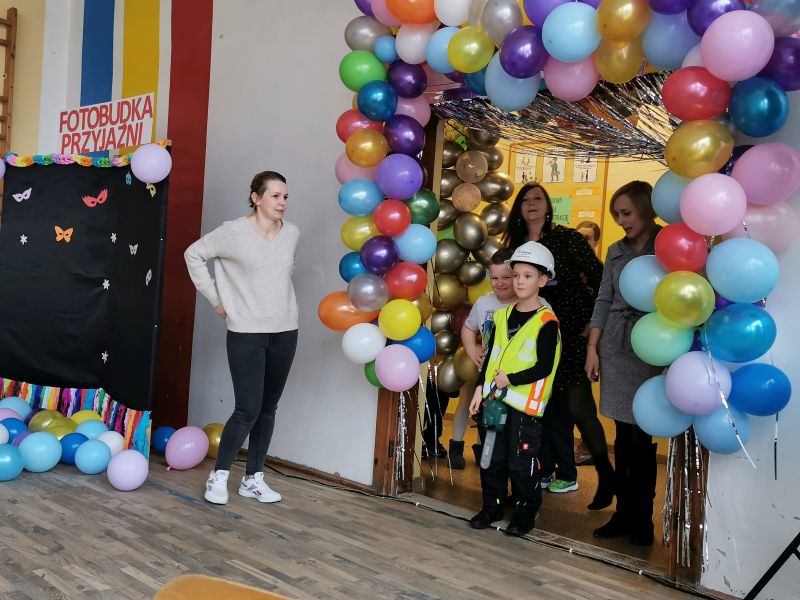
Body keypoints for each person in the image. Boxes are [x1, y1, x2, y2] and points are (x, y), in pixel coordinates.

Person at [184, 170, 299, 506]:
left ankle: (253, 479)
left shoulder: (292, 233)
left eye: (285, 196)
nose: (282, 202)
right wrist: (216, 300)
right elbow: (193, 255)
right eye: (275, 195)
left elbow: (279, 277)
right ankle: (218, 476)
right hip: (246, 332)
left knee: (268, 408)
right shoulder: (232, 232)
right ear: (256, 198)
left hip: (285, 329)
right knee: (247, 408)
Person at [503, 184, 613, 509]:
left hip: (572, 332)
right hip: (534, 336)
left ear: (548, 206)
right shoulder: (516, 248)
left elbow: (600, 276)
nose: (531, 204)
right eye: (525, 200)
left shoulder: (566, 238)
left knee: (579, 406)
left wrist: (594, 320)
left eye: (538, 198)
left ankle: (607, 476)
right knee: (544, 407)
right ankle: (543, 472)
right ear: (518, 209)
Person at [585, 181, 663, 546]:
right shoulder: (615, 251)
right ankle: (623, 513)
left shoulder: (666, 245)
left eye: (626, 213)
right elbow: (604, 300)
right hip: (615, 346)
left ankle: (643, 518)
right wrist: (592, 348)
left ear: (646, 209)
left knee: (642, 438)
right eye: (617, 214)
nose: (620, 221)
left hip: (652, 347)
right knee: (622, 435)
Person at [467, 241, 561, 537]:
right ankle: (491, 507)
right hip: (494, 401)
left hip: (524, 408)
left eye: (527, 276)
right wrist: (479, 390)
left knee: (520, 463)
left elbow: (544, 367)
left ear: (542, 280)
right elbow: (489, 358)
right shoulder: (500, 317)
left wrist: (511, 379)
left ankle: (525, 512)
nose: (519, 281)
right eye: (516, 275)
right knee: (491, 459)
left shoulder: (547, 322)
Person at [450, 248, 516, 469]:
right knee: (469, 401)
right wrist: (471, 349)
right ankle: (456, 447)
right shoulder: (484, 303)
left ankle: (483, 451)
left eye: (506, 277)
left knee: (493, 411)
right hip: (484, 369)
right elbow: (468, 328)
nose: (500, 283)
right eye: (494, 278)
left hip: (511, 374)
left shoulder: (527, 303)